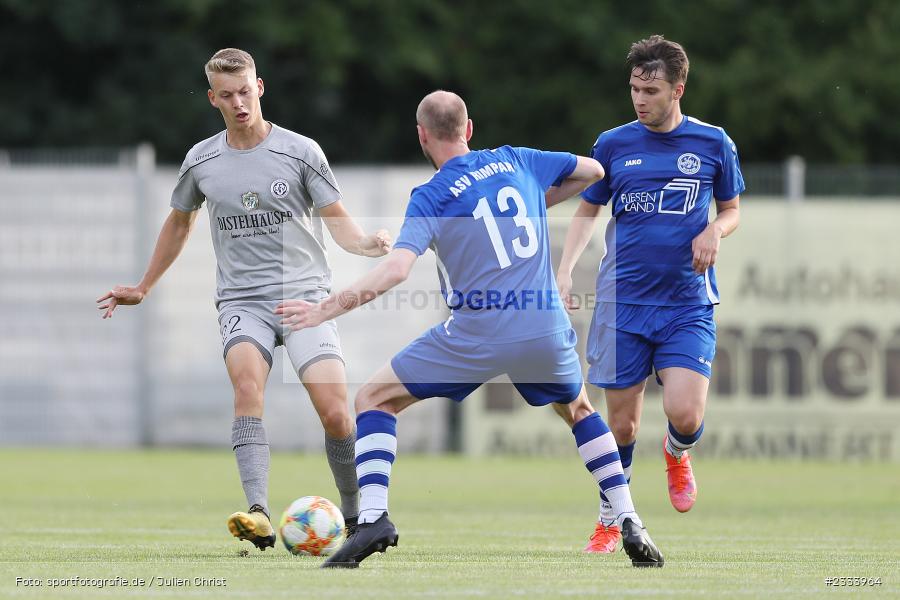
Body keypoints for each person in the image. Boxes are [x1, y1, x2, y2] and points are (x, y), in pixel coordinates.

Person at [278, 90, 664, 569]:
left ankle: (374, 517)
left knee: (373, 398)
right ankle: (628, 517)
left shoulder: (432, 195)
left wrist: (324, 310)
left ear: (421, 135)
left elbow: (396, 271)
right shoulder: (517, 160)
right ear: (470, 129)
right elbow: (594, 172)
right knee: (581, 409)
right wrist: (535, 200)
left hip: (479, 330)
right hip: (544, 323)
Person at [96, 48, 392, 550]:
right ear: (213, 98)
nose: (239, 102)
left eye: (245, 91)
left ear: (261, 88)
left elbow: (340, 227)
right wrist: (144, 285)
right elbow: (179, 222)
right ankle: (258, 513)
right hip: (242, 302)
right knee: (247, 389)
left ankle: (356, 518)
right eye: (227, 95)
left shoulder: (300, 152)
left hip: (305, 300)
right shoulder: (203, 160)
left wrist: (368, 245)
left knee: (337, 413)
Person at [556, 35, 744, 552]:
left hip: (686, 303)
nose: (640, 99)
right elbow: (589, 207)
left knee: (685, 414)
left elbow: (730, 210)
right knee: (620, 424)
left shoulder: (712, 143)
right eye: (635, 88)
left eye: (652, 90)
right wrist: (566, 269)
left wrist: (714, 231)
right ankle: (611, 516)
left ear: (678, 89)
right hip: (622, 305)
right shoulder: (614, 144)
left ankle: (678, 452)